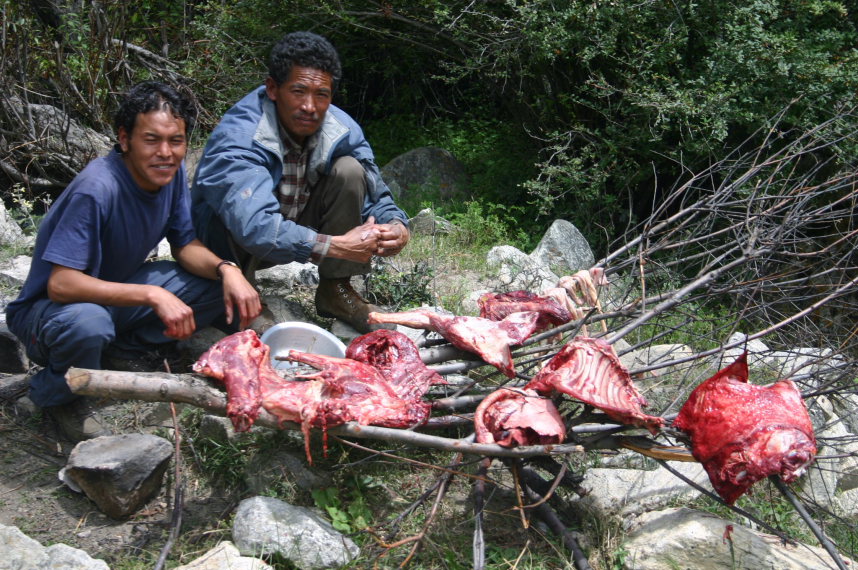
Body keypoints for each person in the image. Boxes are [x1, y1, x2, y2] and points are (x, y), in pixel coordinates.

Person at [5, 81, 262, 442]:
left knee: (214, 287)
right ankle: (52, 392)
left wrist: (228, 270)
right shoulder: (97, 189)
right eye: (151, 139)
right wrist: (153, 296)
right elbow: (62, 284)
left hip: (113, 294)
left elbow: (185, 244)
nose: (165, 152)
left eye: (176, 141)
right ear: (125, 139)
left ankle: (118, 350)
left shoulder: (169, 177)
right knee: (88, 323)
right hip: (48, 311)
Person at [191, 31, 410, 333]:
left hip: (292, 225)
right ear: (272, 88)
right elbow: (254, 226)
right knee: (231, 210)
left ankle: (336, 289)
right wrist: (334, 245)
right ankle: (233, 296)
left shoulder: (341, 129)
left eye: (322, 95)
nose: (310, 106)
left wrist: (398, 227)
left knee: (350, 170)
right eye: (298, 91)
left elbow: (376, 194)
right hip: (231, 244)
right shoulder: (241, 136)